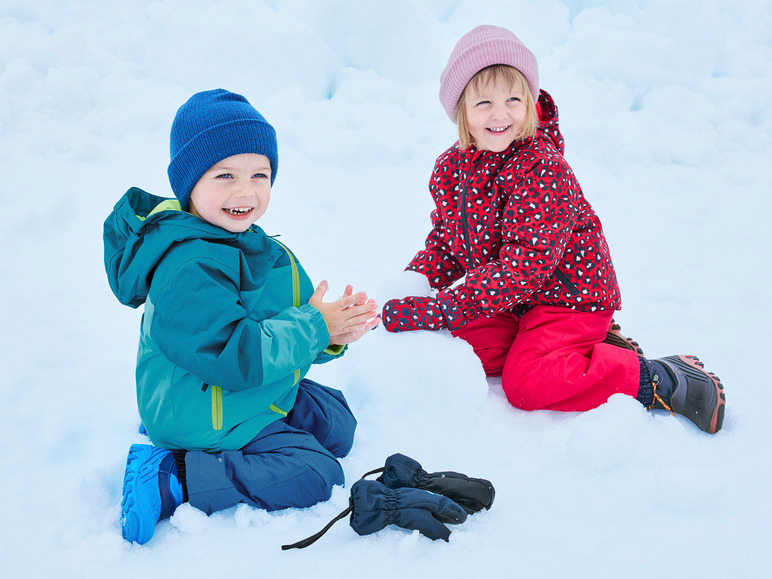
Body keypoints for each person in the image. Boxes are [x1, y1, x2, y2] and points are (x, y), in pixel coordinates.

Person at [381, 25, 725, 434]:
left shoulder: (542, 168)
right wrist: (410, 286)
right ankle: (579, 354)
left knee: (527, 383)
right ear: (460, 110)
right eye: (484, 101)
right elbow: (446, 244)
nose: (500, 113)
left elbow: (524, 267)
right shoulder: (451, 167)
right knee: (460, 346)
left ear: (529, 100)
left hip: (570, 298)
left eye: (513, 98)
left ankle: (657, 376)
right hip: (513, 301)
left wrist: (440, 308)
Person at [104, 89, 380, 545]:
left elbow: (293, 315)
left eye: (260, 174)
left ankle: (239, 439)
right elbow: (234, 353)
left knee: (337, 424)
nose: (245, 191)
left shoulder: (252, 244)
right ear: (189, 183)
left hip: (228, 387)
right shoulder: (188, 267)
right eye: (225, 175)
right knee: (317, 472)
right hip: (201, 405)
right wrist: (315, 328)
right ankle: (174, 475)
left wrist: (334, 328)